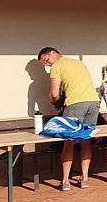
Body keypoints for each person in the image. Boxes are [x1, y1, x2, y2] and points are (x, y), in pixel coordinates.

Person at [37, 47, 100, 190]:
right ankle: (84, 179)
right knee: (86, 141)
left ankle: (65, 181)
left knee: (69, 142)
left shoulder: (57, 66)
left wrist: (55, 102)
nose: (47, 65)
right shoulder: (79, 63)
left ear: (53, 53)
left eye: (46, 60)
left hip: (75, 104)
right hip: (93, 103)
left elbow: (54, 94)